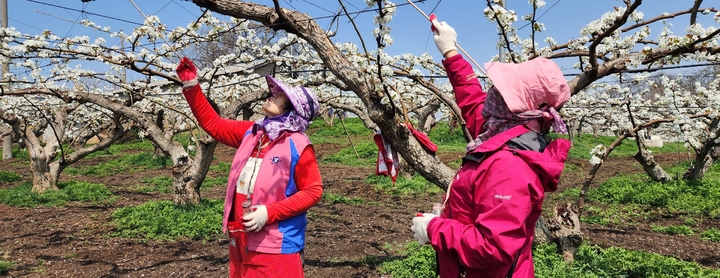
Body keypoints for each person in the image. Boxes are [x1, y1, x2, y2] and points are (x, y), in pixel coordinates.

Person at [410, 16, 572, 278]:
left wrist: (434, 229)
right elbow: (474, 102)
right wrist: (451, 52)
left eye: (502, 91)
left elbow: (493, 247)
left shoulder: (508, 166)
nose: (493, 92)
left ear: (519, 109)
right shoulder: (501, 135)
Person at [176, 57, 323, 278]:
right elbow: (214, 125)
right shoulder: (254, 132)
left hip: (276, 246)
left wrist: (269, 212)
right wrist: (191, 85)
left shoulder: (298, 144)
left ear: (294, 109)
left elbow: (313, 191)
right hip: (240, 237)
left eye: (281, 95)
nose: (273, 94)